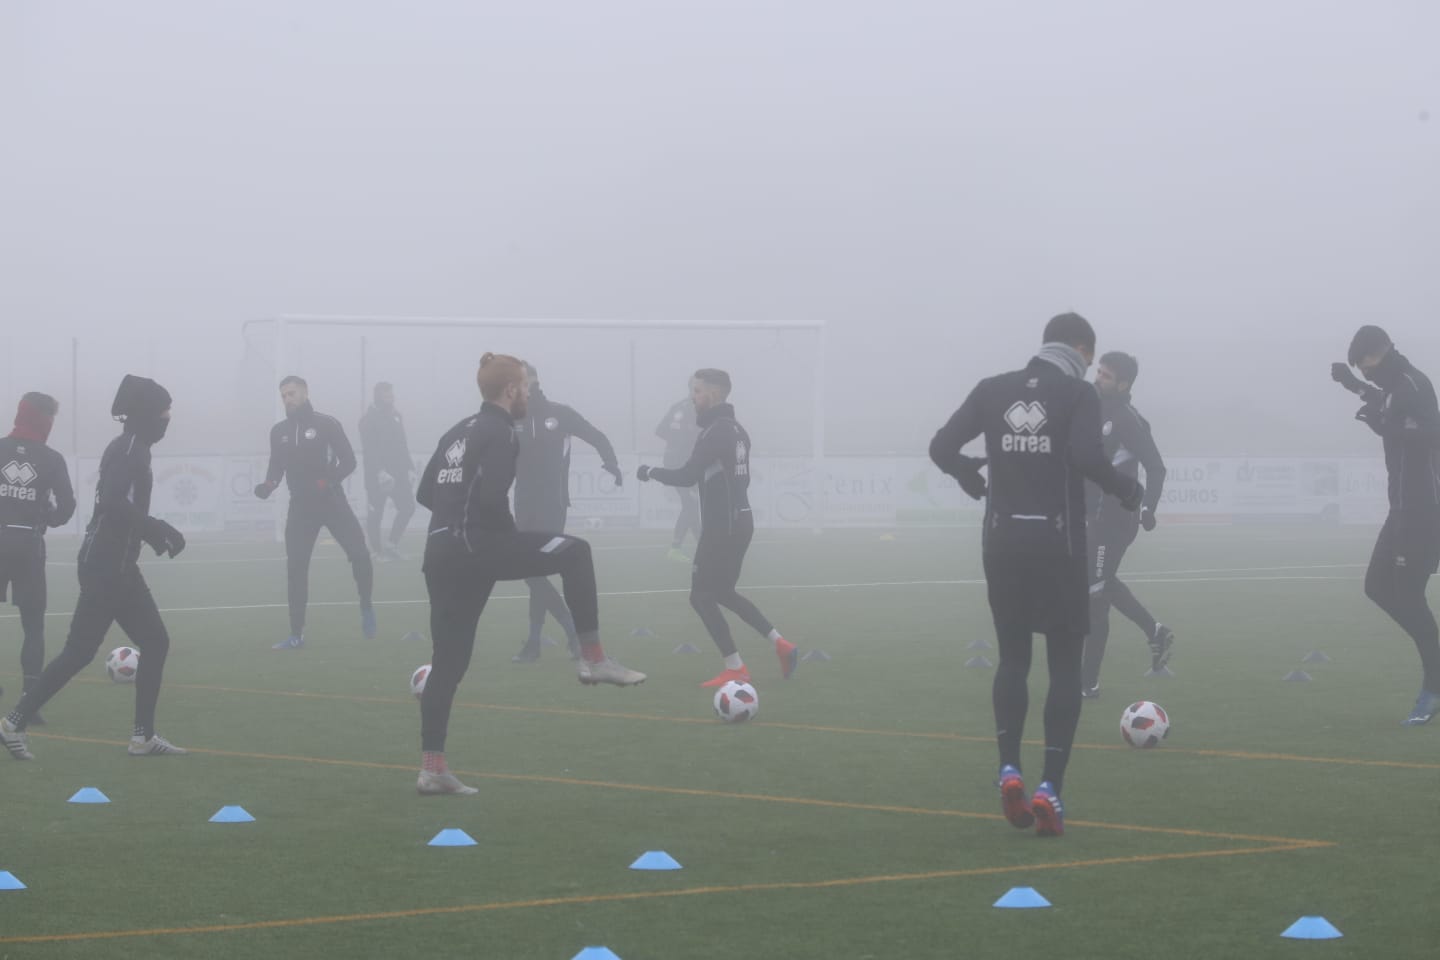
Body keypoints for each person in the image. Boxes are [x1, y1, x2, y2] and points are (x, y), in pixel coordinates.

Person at [929, 313, 1143, 837]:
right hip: (1059, 541)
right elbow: (1085, 455)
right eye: (1090, 359)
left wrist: (967, 477)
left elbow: (940, 448)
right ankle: (1050, 788)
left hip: (1002, 541)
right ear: (1080, 348)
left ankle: (1008, 769)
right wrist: (1125, 489)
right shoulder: (1077, 395)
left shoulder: (993, 389)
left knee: (1014, 657)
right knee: (1065, 666)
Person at [414, 353, 645, 795]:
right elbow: (493, 496)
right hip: (477, 545)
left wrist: (462, 526)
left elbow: (426, 492)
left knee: (448, 663)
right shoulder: (502, 431)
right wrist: (506, 543)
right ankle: (594, 658)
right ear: (511, 390)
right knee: (576, 552)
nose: (527, 393)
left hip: (440, 551)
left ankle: (432, 768)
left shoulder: (456, 431)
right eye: (523, 386)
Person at [1, 375, 188, 760]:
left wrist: (148, 533)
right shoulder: (129, 449)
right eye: (165, 411)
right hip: (107, 564)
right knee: (107, 647)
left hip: (111, 561)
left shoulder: (133, 446)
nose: (169, 419)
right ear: (148, 414)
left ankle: (140, 736)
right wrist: (155, 527)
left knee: (113, 646)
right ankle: (15, 721)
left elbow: (116, 506)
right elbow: (113, 502)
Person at [637, 368, 797, 687]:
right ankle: (781, 644)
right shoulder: (738, 430)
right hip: (741, 520)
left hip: (722, 525)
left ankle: (735, 667)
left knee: (700, 596)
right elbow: (741, 478)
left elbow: (687, 476)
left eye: (697, 391)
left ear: (714, 394)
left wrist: (649, 471)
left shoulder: (715, 432)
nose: (693, 398)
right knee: (722, 591)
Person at [1332, 325, 1440, 725]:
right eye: (1359, 367)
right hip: (1401, 510)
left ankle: (1433, 684)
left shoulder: (1413, 382)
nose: (1366, 371)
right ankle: (1435, 665)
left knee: (1408, 596)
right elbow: (1384, 401)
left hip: (1424, 510)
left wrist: (1383, 426)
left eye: (1366, 363)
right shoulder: (1394, 385)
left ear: (1383, 350)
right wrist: (1350, 386)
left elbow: (1432, 429)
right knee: (1376, 586)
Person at [510, 362, 622, 663]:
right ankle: (566, 635)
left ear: (534, 381)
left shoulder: (559, 414)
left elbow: (596, 436)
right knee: (530, 571)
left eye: (524, 379)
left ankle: (540, 641)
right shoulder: (511, 415)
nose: (519, 385)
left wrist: (611, 463)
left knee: (535, 570)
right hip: (522, 504)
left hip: (553, 504)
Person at [254, 376, 376, 649]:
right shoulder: (279, 431)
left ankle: (366, 606)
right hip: (300, 508)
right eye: (284, 395)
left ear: (305, 393)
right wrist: (268, 485)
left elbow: (349, 461)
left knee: (359, 554)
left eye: (292, 393)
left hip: (332, 502)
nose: (288, 399)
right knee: (296, 568)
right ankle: (296, 633)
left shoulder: (326, 424)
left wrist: (327, 481)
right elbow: (276, 466)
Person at [1080, 352, 1171, 698]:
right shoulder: (1093, 410)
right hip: (1092, 518)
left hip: (1116, 521)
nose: (1097, 377)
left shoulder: (1129, 420)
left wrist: (1149, 508)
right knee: (1096, 585)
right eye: (1098, 371)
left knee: (1095, 596)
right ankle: (1155, 631)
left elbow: (1157, 467)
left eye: (1105, 375)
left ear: (1123, 384)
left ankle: (1088, 685)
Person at [0, 392, 76, 726]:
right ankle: (30, 704)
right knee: (33, 625)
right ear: (42, 419)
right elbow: (68, 506)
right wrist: (51, 519)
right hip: (30, 546)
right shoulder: (51, 458)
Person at [359, 381, 415, 562]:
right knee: (376, 513)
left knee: (408, 507)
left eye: (391, 393)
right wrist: (380, 471)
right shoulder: (368, 419)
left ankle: (392, 544)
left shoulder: (396, 416)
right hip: (378, 477)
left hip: (399, 475)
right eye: (386, 393)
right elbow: (370, 449)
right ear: (378, 395)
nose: (390, 396)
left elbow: (402, 444)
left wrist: (410, 468)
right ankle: (376, 551)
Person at [655, 385, 702, 562]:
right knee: (691, 505)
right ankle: (695, 548)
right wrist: (684, 444)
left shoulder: (678, 406)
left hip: (677, 461)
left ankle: (681, 547)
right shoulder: (691, 408)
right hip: (682, 463)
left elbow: (660, 430)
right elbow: (662, 431)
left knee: (690, 505)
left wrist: (677, 442)